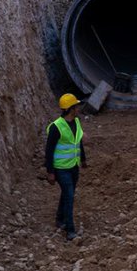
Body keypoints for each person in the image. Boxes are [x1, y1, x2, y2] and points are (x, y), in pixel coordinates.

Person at [45, 93, 87, 240]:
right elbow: (49, 150)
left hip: (73, 166)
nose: (78, 108)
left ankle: (59, 219)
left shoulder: (76, 122)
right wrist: (50, 172)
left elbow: (78, 141)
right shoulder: (57, 127)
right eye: (76, 106)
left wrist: (83, 159)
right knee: (69, 196)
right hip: (61, 168)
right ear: (70, 109)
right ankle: (70, 230)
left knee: (67, 193)